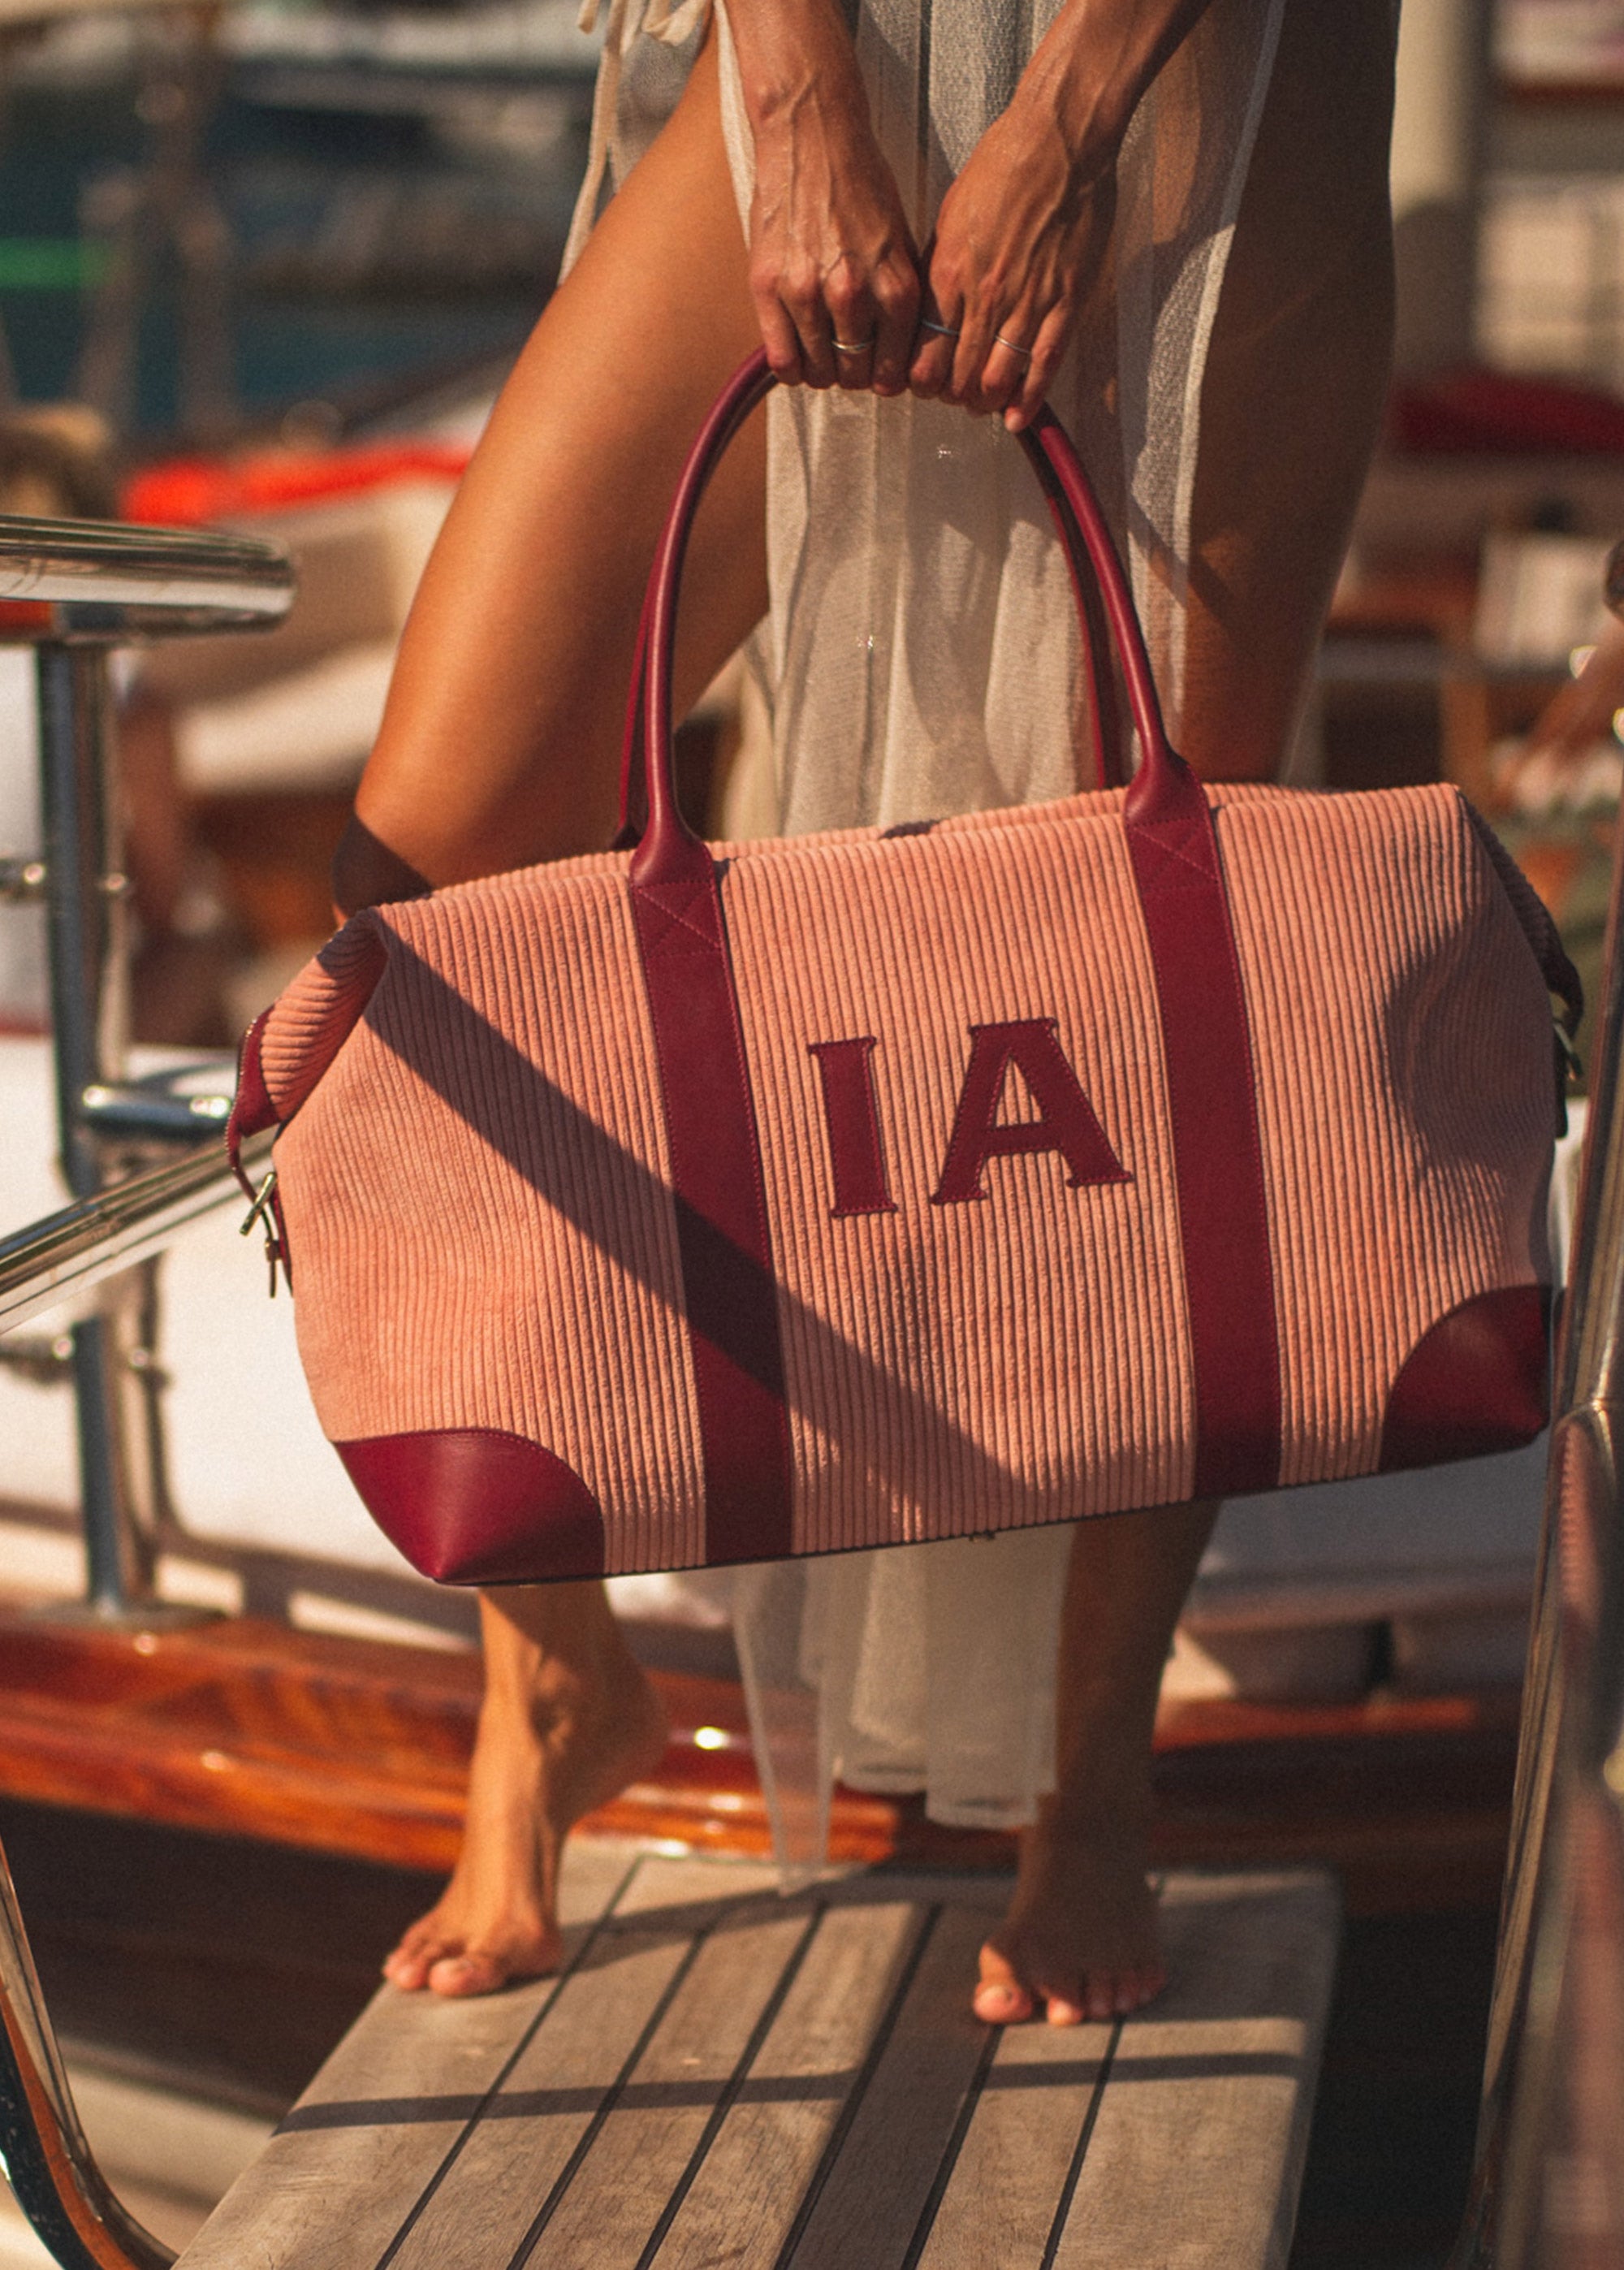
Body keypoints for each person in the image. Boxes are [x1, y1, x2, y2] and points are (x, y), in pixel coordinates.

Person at [333, 0, 1399, 2023]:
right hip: (823, 26)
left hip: (1214, 63)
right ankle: (553, 1682)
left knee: (1152, 960)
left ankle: (1089, 1798)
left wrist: (1076, 116)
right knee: (431, 870)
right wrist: (804, 85)